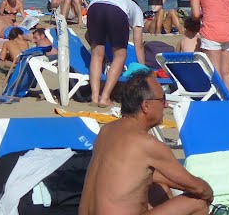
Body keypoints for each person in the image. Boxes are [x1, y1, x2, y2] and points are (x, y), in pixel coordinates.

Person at [80, 72, 213, 215]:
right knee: (198, 202)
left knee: (157, 189)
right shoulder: (147, 144)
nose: (166, 105)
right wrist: (208, 192)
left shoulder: (106, 130)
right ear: (146, 106)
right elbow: (198, 188)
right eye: (162, 99)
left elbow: (143, 175)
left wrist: (179, 185)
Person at [86, 0, 146, 107]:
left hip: (94, 6)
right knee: (120, 55)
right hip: (116, 12)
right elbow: (139, 44)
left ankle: (95, 97)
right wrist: (143, 68)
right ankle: (105, 98)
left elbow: (88, 35)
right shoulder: (137, 11)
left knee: (96, 55)